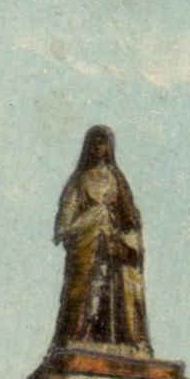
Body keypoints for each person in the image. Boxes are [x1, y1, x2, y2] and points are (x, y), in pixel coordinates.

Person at [53, 125, 151, 352]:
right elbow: (65, 224)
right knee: (87, 294)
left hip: (113, 247)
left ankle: (117, 339)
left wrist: (124, 238)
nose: (99, 148)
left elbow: (130, 218)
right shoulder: (79, 181)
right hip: (88, 247)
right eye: (95, 144)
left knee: (114, 294)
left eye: (103, 143)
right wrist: (94, 219)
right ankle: (81, 334)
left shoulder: (116, 179)